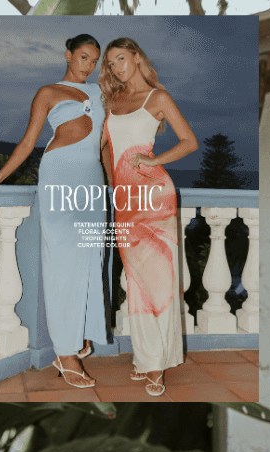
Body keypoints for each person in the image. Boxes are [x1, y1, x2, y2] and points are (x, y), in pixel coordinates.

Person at [0, 34, 108, 390]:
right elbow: (29, 141)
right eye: (82, 57)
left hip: (93, 178)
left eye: (94, 60)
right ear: (68, 55)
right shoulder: (48, 92)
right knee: (63, 259)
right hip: (59, 173)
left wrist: (114, 184)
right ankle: (65, 353)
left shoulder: (99, 92)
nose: (88, 65)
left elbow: (105, 143)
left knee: (92, 256)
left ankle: (80, 333)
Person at [101, 38, 198, 396]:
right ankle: (147, 358)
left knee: (157, 280)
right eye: (111, 63)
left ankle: (155, 365)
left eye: (121, 59)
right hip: (125, 199)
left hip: (155, 197)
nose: (116, 68)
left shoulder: (158, 98)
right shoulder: (112, 101)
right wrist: (114, 195)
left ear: (137, 57)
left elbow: (189, 141)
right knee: (136, 282)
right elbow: (108, 150)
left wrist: (154, 160)